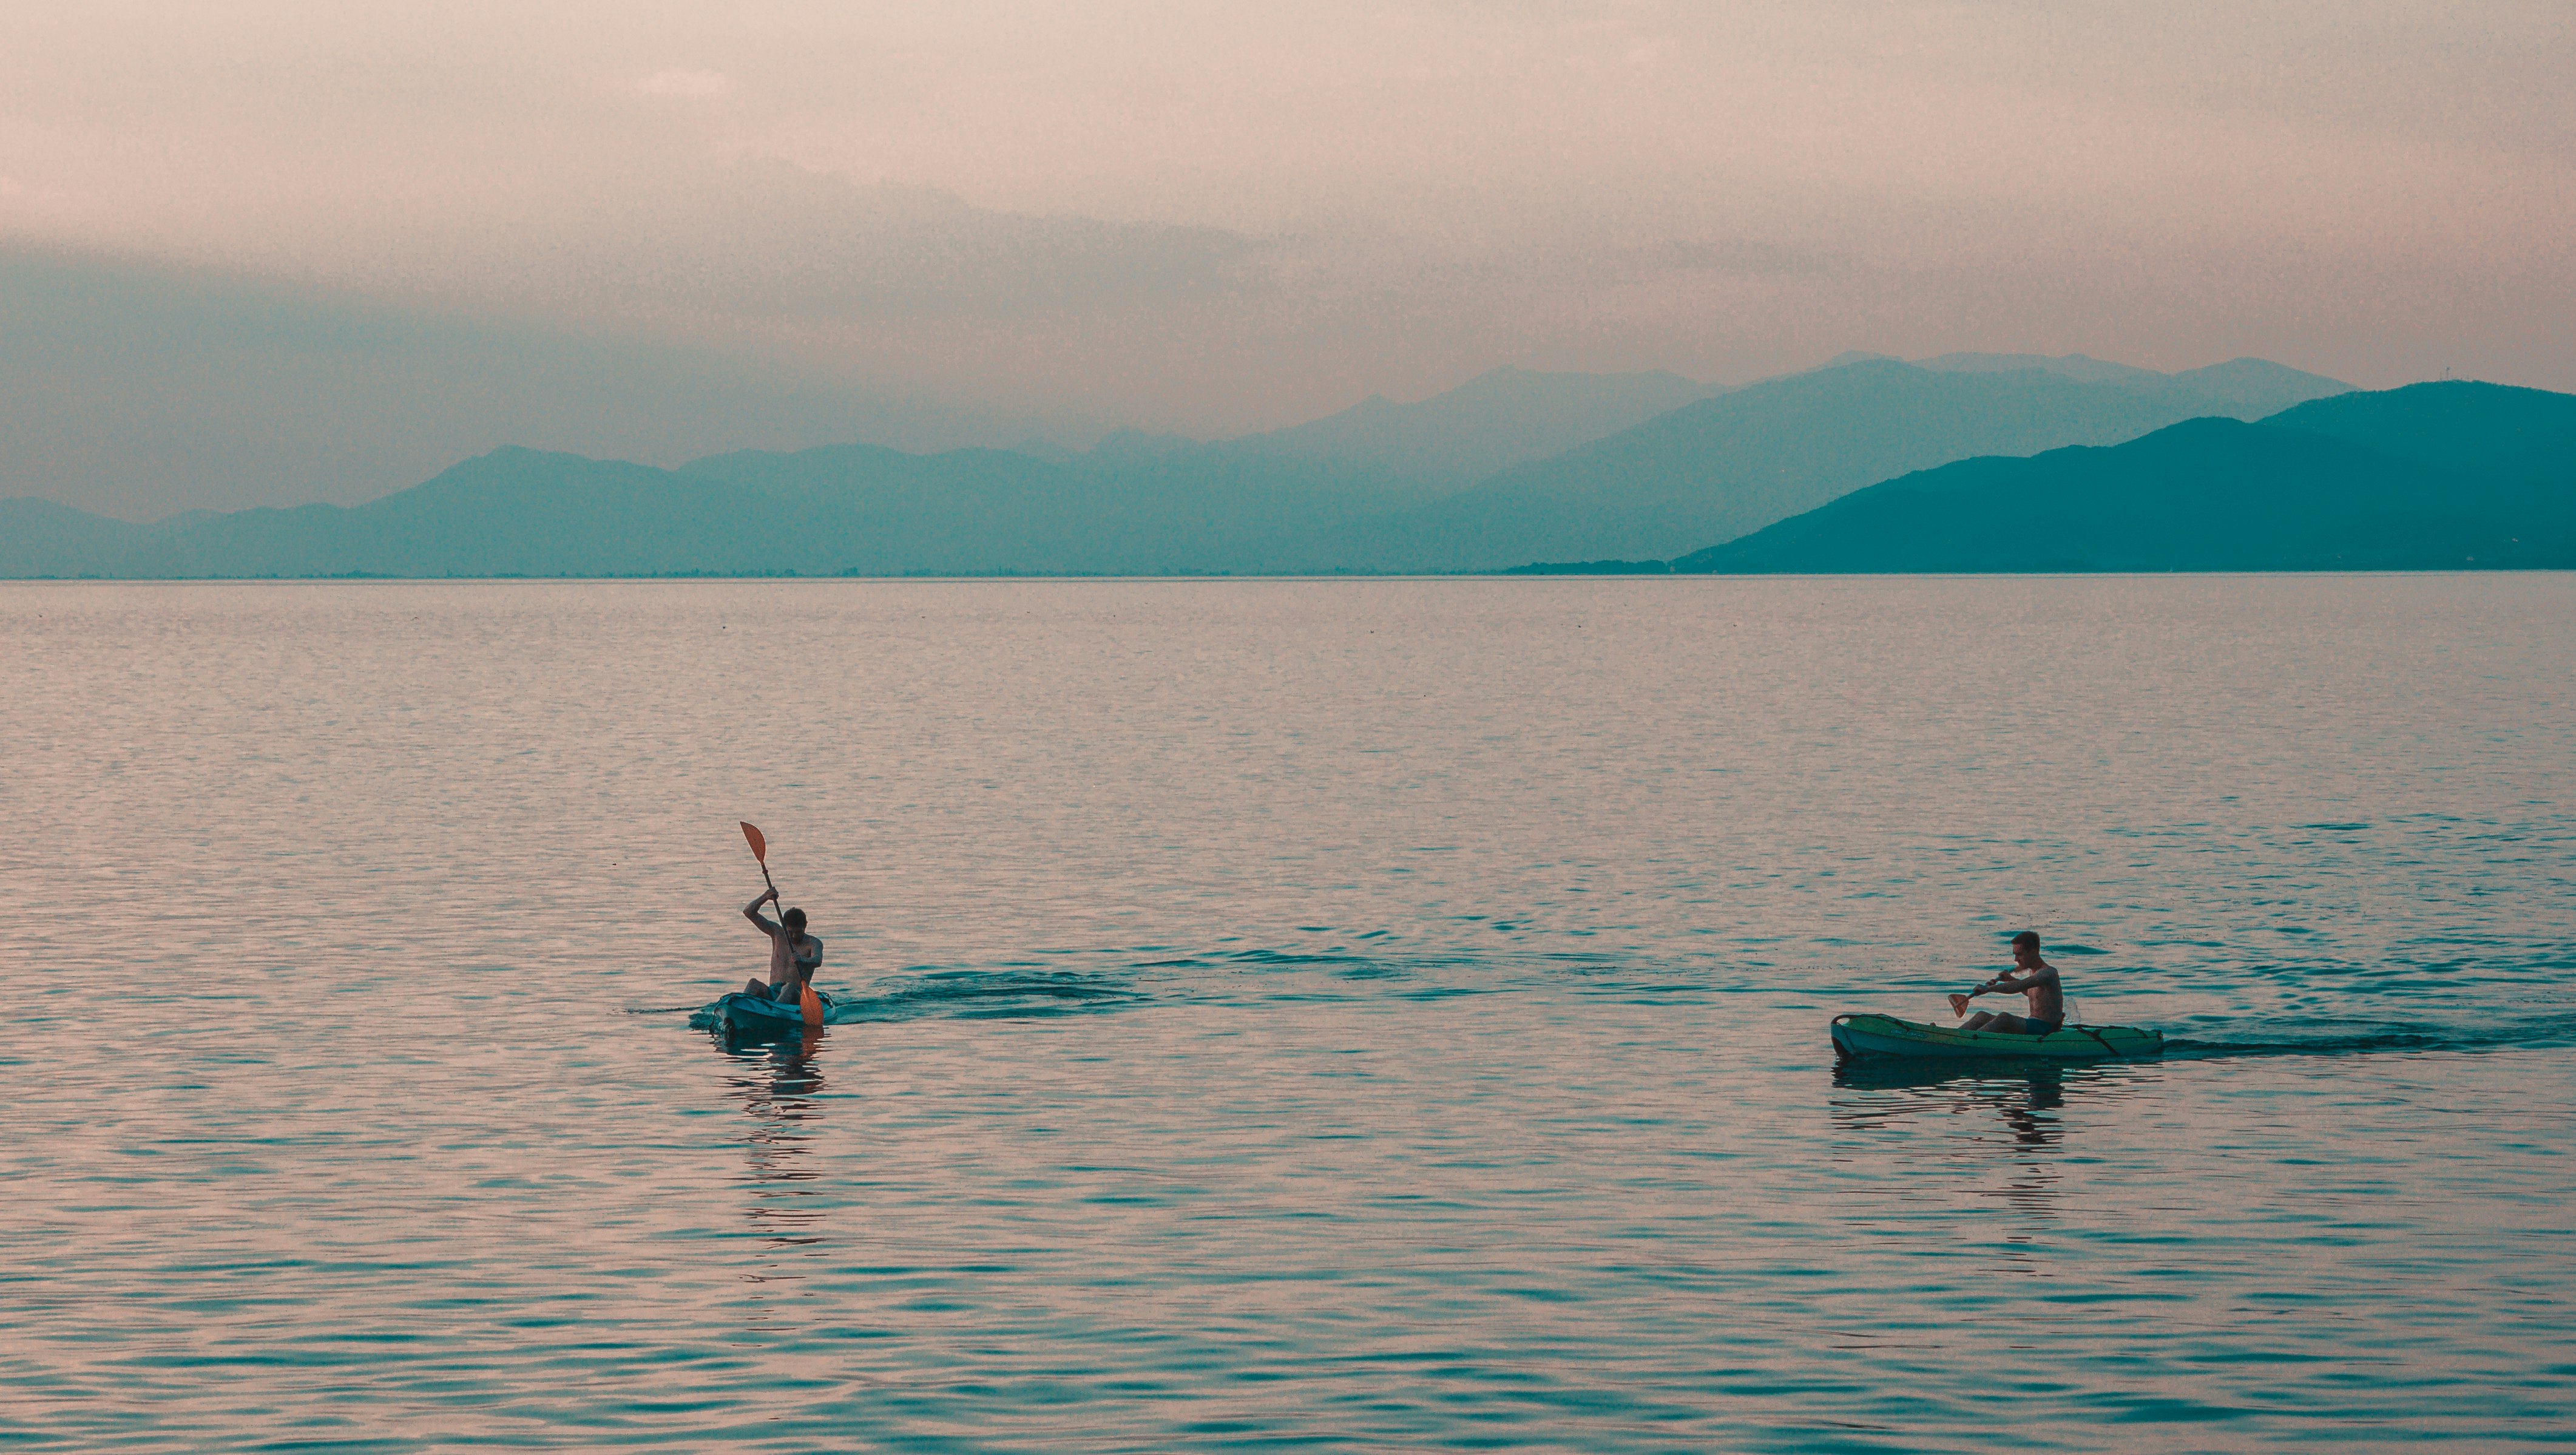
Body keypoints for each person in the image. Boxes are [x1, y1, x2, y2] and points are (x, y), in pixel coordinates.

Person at [1950, 931, 2063, 1034]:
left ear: (2033, 952)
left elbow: (2019, 986)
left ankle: (1970, 1041)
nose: (2016, 960)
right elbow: (2030, 992)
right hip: (2033, 1024)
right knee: (1981, 1016)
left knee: (2004, 1018)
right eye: (2015, 954)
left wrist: (1989, 989)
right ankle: (1954, 1037)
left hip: (2046, 1028)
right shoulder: (2034, 972)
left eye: (2019, 954)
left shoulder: (2048, 973)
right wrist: (2010, 979)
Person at [741, 887, 823, 1002]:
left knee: (788, 987)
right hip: (773, 991)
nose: (794, 936)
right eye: (790, 932)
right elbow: (749, 912)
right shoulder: (776, 932)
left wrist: (802, 960)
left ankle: (775, 1013)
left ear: (805, 926)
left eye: (798, 932)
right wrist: (765, 897)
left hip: (797, 994)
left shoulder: (814, 943)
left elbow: (817, 960)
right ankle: (743, 1009)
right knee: (753, 983)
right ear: (784, 926)